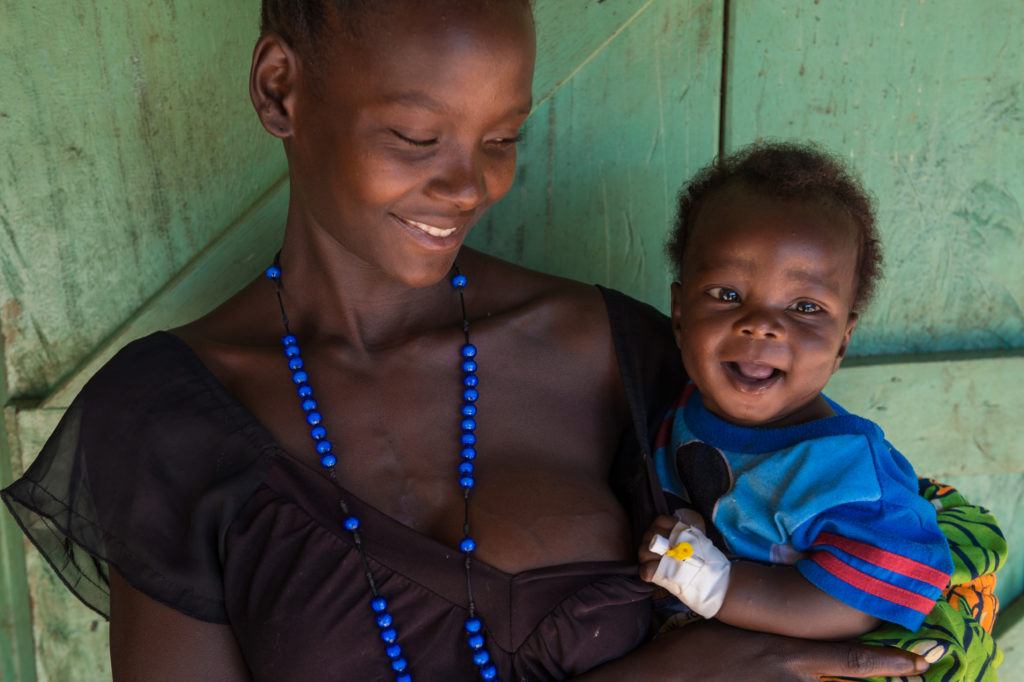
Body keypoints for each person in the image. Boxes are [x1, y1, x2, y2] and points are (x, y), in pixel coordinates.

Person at [2, 2, 944, 679]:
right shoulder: (173, 419)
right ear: (281, 86)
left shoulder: (617, 354)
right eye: (417, 136)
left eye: (501, 138)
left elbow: (864, 552)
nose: (470, 188)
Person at [639, 143, 1004, 680]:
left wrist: (716, 587)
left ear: (842, 342)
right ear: (678, 312)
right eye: (727, 293)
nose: (760, 325)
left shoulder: (845, 469)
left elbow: (865, 602)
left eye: (805, 307)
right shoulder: (673, 398)